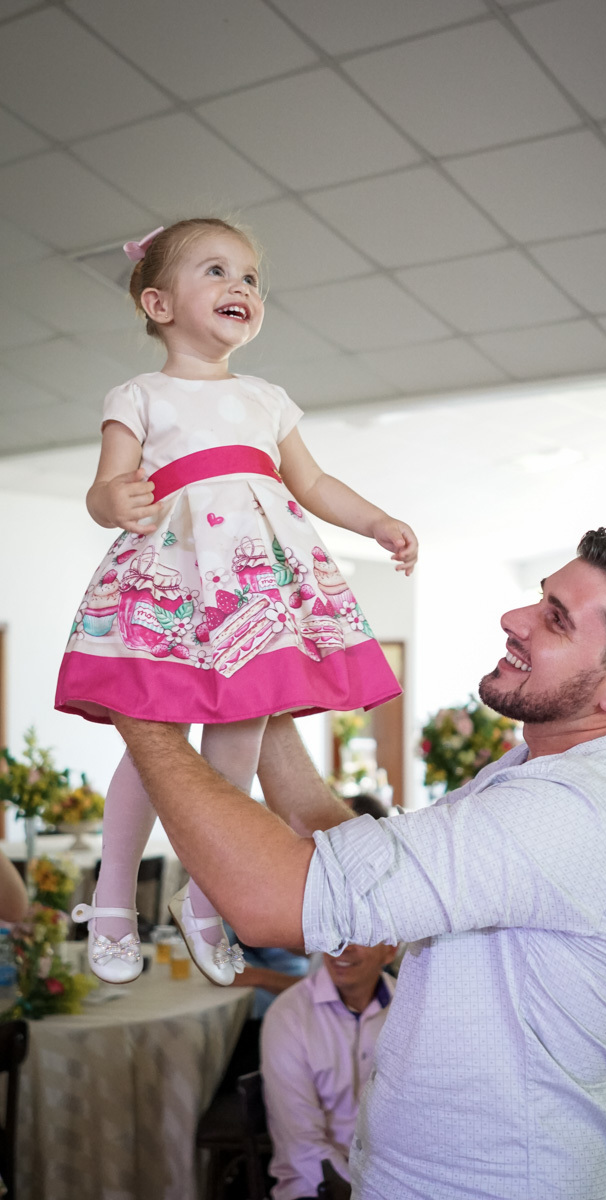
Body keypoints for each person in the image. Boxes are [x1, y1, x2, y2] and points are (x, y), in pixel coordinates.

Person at [109, 527, 606, 1200]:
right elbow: (358, 857)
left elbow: (272, 899)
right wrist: (267, 685)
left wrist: (140, 706)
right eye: (538, 598)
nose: (513, 620)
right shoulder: (538, 770)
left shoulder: (574, 811)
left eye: (555, 620)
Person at [54, 218, 418, 987]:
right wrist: (110, 499)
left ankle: (210, 890)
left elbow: (312, 486)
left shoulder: (267, 398)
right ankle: (115, 892)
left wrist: (377, 521)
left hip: (255, 584)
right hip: (176, 576)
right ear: (158, 303)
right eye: (216, 272)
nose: (241, 288)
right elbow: (104, 486)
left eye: (250, 278)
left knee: (239, 739)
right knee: (154, 736)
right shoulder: (141, 395)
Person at [261, 942, 396, 1200]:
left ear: (390, 950)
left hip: (393, 1178)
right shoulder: (289, 1015)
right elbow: (302, 1144)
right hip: (316, 1184)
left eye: (359, 936)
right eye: (334, 936)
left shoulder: (410, 1008)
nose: (341, 949)